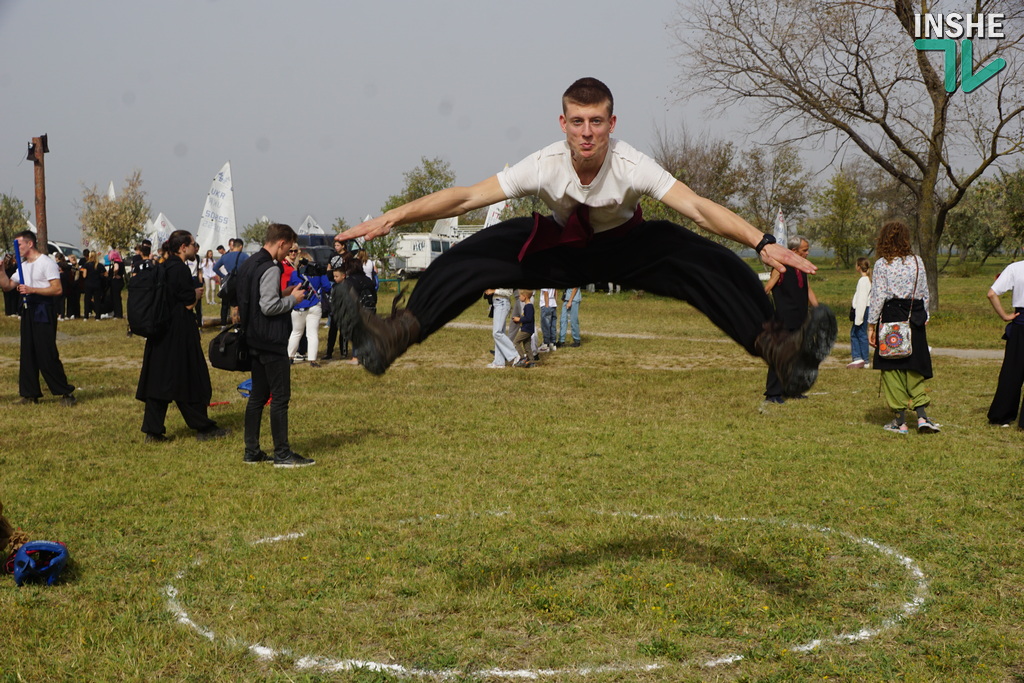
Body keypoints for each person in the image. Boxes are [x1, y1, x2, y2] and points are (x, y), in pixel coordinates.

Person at [335, 77, 835, 393]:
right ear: (563, 123)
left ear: (612, 123)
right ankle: (394, 335)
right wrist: (392, 217)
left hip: (629, 249)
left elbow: (699, 208)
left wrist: (762, 240)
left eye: (597, 121)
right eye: (578, 122)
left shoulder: (632, 163)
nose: (587, 132)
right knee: (478, 252)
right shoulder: (545, 163)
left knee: (702, 257)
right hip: (561, 250)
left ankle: (779, 351)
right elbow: (466, 198)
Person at [135, 230, 228, 442]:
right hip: (179, 332)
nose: (196, 248)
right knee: (190, 378)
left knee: (159, 381)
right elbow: (188, 303)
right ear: (183, 247)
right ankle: (203, 427)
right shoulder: (179, 269)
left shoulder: (163, 267)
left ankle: (153, 430)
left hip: (160, 332)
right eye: (193, 244)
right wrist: (195, 294)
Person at [235, 223, 314, 467]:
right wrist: (294, 299)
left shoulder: (249, 263)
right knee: (280, 397)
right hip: (271, 341)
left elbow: (257, 298)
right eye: (289, 247)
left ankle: (252, 451)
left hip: (254, 339)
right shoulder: (270, 267)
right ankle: (282, 454)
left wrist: (287, 292)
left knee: (258, 396)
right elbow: (268, 307)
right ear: (281, 243)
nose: (290, 253)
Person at [868, 220, 939, 434]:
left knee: (892, 368)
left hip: (891, 316)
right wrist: (923, 316)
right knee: (914, 366)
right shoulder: (917, 262)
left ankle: (900, 421)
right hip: (914, 316)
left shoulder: (882, 264)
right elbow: (925, 293)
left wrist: (871, 325)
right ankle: (922, 418)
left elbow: (878, 296)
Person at [0, 230, 77, 406]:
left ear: (30, 244)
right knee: (27, 352)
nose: (16, 248)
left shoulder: (46, 263)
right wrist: (1, 271)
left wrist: (32, 290)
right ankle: (30, 393)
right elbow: (8, 286)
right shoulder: (23, 265)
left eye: (19, 244)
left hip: (43, 310)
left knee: (46, 352)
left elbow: (57, 289)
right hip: (28, 310)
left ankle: (65, 392)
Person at [762, 235, 819, 404]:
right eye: (805, 250)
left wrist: (819, 309)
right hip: (784, 319)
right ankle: (773, 393)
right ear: (794, 251)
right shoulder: (780, 268)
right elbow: (768, 287)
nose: (808, 253)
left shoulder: (802, 267)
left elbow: (807, 289)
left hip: (800, 317)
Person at [985, 257, 1024, 428]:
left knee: (1012, 370)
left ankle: (1002, 416)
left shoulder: (1015, 268)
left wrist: (1004, 316)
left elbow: (992, 293)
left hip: (1020, 324)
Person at [287, 253, 331, 367]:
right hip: (314, 305)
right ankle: (312, 360)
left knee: (296, 332)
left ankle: (290, 357)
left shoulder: (294, 274)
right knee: (312, 334)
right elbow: (327, 287)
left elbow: (290, 288)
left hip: (298, 306)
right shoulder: (319, 273)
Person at [213, 238, 248, 326]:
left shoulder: (225, 257)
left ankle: (234, 326)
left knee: (233, 307)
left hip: (230, 283)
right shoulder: (244, 256)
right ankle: (243, 325)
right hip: (241, 283)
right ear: (241, 246)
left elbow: (215, 268)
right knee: (242, 306)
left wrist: (223, 276)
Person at [484, 288, 518, 368]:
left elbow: (509, 292)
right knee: (499, 333)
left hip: (502, 302)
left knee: (497, 333)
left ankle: (515, 355)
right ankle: (499, 362)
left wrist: (494, 291)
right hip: (497, 302)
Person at [848, 257, 871, 369]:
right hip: (866, 309)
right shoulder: (869, 280)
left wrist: (859, 318)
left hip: (862, 309)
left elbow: (862, 300)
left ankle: (860, 358)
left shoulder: (863, 281)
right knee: (859, 333)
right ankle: (862, 358)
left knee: (858, 334)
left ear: (858, 267)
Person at [511, 289, 536, 366]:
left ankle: (522, 358)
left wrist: (519, 319)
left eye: (520, 296)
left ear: (525, 296)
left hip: (526, 330)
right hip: (527, 329)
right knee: (527, 345)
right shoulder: (527, 306)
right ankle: (531, 361)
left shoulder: (529, 306)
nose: (519, 297)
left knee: (515, 342)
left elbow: (528, 318)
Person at [106, 251, 126, 319]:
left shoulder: (116, 263)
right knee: (117, 298)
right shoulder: (121, 263)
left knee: (115, 298)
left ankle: (117, 314)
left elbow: (116, 268)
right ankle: (118, 313)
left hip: (115, 282)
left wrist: (114, 274)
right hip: (120, 281)